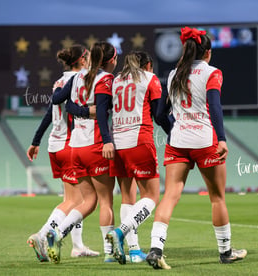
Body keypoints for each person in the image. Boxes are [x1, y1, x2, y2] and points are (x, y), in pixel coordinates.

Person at [146, 27, 247, 270]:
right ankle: (225, 252)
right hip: (205, 142)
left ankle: (155, 249)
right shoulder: (212, 73)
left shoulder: (173, 74)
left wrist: (174, 130)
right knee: (217, 197)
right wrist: (221, 138)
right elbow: (215, 107)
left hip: (178, 142)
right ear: (208, 53)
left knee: (170, 195)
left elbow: (159, 114)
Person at [26, 45, 99, 262]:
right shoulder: (79, 80)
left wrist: (36, 140)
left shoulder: (59, 81)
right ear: (83, 59)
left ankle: (77, 245)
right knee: (75, 200)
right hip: (70, 144)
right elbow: (69, 110)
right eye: (87, 57)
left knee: (77, 198)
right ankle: (42, 235)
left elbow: (50, 111)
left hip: (55, 145)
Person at [45, 41, 117, 264]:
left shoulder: (77, 77)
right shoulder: (105, 79)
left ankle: (57, 233)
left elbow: (59, 101)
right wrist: (107, 141)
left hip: (75, 147)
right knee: (106, 201)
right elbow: (103, 114)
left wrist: (82, 110)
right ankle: (110, 252)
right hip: (95, 145)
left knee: (89, 201)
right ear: (110, 60)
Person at [104, 51, 162, 265]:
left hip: (117, 143)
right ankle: (119, 233)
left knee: (127, 197)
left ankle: (135, 250)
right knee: (151, 197)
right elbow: (158, 113)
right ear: (148, 66)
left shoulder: (116, 80)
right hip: (139, 140)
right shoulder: (150, 79)